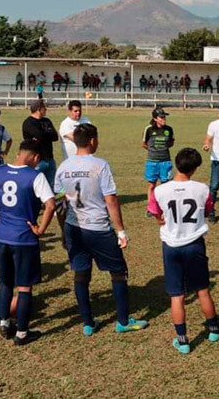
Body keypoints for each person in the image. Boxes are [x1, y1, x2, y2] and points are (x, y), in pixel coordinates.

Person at [54, 123, 148, 335]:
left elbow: (59, 203)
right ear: (92, 141)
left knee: (81, 274)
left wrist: (63, 230)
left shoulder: (63, 167)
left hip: (73, 227)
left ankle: (88, 323)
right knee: (118, 272)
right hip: (98, 228)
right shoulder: (100, 165)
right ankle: (123, 321)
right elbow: (110, 200)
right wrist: (121, 231)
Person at [0, 139, 55, 345]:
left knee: (6, 283)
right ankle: (22, 333)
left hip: (3, 236)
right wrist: (40, 229)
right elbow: (51, 205)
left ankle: (5, 322)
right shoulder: (35, 176)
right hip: (24, 238)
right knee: (24, 287)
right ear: (35, 157)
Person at [147, 148, 219, 353]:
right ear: (194, 168)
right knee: (202, 290)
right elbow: (208, 210)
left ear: (176, 164)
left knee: (177, 295)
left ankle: (182, 340)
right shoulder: (202, 189)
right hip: (194, 244)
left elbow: (155, 213)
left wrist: (160, 219)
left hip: (171, 245)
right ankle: (214, 329)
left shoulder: (160, 190)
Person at [143, 107, 175, 215]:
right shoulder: (149, 130)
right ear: (155, 118)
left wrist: (162, 149)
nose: (164, 119)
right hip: (152, 162)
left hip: (165, 161)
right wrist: (154, 151)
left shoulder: (169, 129)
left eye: (164, 117)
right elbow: (144, 144)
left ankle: (165, 206)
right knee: (152, 185)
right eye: (161, 117)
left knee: (166, 185)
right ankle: (150, 208)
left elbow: (171, 143)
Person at [22, 100, 59, 189]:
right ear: (39, 109)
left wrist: (43, 136)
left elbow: (55, 136)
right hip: (36, 161)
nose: (46, 109)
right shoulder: (29, 123)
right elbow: (40, 135)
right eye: (44, 108)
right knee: (35, 186)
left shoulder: (47, 121)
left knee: (51, 187)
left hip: (49, 159)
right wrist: (47, 134)